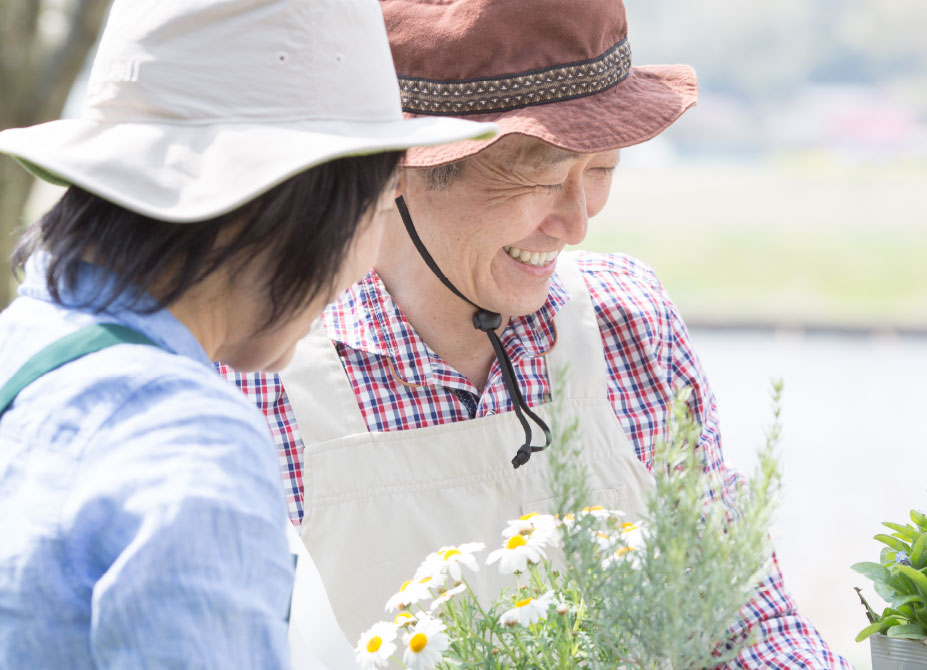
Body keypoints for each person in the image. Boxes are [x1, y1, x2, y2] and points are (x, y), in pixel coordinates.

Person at [221, 0, 852, 667]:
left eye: (602, 170)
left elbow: (747, 626)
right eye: (545, 176)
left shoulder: (630, 323)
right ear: (400, 166)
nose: (578, 222)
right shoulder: (258, 379)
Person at [0, 0, 494, 667]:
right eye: (377, 210)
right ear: (288, 206)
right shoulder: (191, 443)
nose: (361, 272)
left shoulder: (23, 347)